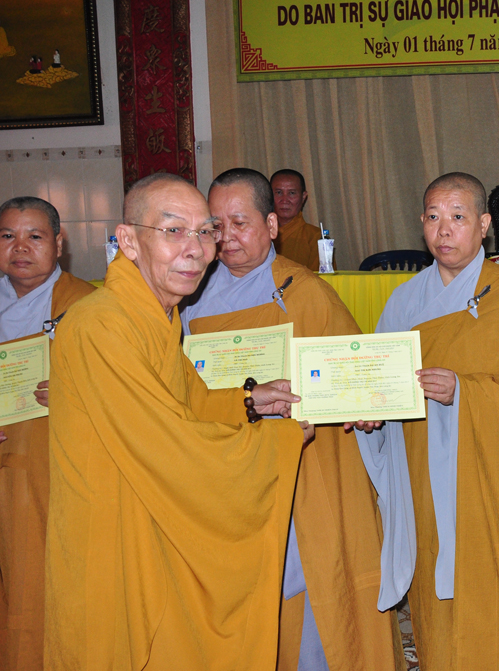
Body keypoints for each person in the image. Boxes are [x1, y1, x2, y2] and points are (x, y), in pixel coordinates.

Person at [45, 173, 314, 670]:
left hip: (150, 519)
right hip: (111, 538)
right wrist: (276, 442)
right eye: (173, 231)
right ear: (128, 241)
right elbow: (167, 441)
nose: (196, 249)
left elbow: (190, 399)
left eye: (205, 231)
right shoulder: (100, 324)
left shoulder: (155, 317)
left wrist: (250, 400)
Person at [181, 168, 402, 671]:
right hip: (222, 468)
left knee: (308, 580)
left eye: (240, 223)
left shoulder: (304, 292)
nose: (227, 237)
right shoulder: (189, 296)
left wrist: (364, 409)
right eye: (216, 225)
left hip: (300, 465)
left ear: (271, 225)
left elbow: (353, 379)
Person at [354, 172, 499, 671]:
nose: (444, 229)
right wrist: (372, 415)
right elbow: (381, 382)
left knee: (494, 584)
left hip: (487, 476)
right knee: (435, 586)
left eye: (457, 216)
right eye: (433, 217)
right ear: (421, 223)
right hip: (423, 474)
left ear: (484, 225)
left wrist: (465, 392)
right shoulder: (404, 301)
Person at [0, 197, 93, 671]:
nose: (20, 247)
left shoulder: (88, 306)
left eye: (34, 236)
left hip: (51, 475)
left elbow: (130, 388)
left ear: (58, 243)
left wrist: (78, 391)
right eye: (7, 236)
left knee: (36, 587)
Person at [271, 169, 323, 272]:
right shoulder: (257, 233)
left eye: (292, 193)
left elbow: (321, 280)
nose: (284, 200)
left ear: (303, 197)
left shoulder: (315, 237)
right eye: (278, 192)